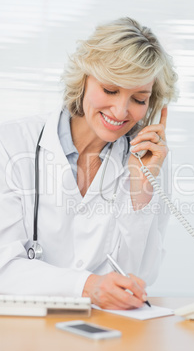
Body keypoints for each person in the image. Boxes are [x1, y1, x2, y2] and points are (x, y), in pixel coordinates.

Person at [0, 17, 177, 309]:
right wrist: (87, 286)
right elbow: (3, 266)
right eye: (110, 90)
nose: (121, 111)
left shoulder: (147, 160)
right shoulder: (11, 143)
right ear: (83, 79)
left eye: (139, 98)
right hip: (26, 331)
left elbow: (139, 278)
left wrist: (140, 192)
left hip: (108, 329)